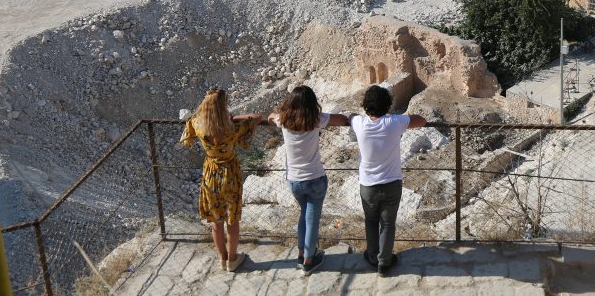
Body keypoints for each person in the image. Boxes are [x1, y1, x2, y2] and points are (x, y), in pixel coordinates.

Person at [180, 88, 267, 272]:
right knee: (232, 220)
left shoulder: (197, 124)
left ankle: (222, 258)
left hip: (210, 174)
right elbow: (257, 117)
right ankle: (233, 260)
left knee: (216, 221)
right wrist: (234, 117)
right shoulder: (233, 128)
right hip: (230, 174)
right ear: (223, 107)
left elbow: (188, 135)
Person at [350, 85, 428, 277]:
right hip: (392, 183)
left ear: (366, 106)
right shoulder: (395, 122)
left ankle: (372, 256)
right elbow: (422, 120)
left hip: (368, 185)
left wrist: (355, 115)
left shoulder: (359, 123)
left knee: (371, 222)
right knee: (388, 224)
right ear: (388, 105)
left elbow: (350, 117)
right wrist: (399, 115)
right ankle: (384, 263)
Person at [270, 86, 348, 275]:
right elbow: (342, 120)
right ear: (312, 103)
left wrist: (273, 115)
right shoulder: (316, 119)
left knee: (304, 214)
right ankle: (308, 260)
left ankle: (301, 253)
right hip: (315, 178)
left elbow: (271, 116)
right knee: (312, 219)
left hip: (294, 181)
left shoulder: (283, 119)